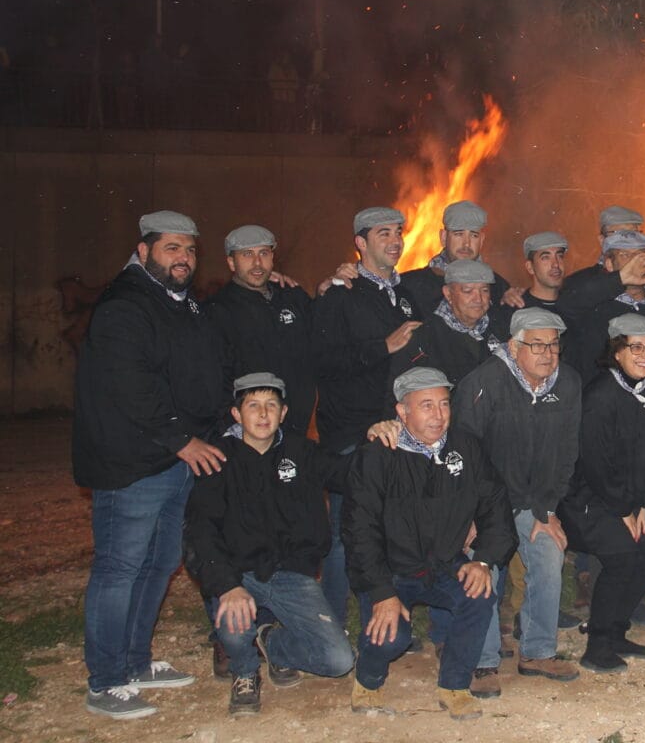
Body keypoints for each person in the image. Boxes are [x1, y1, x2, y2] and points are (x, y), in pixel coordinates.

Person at [73, 210, 228, 719]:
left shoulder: (180, 304)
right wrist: (183, 440)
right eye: (171, 249)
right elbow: (129, 386)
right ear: (144, 251)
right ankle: (105, 681)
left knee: (160, 564)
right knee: (120, 569)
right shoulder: (126, 305)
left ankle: (136, 662)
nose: (183, 259)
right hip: (133, 466)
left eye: (189, 250)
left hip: (173, 461)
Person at [343, 367, 516, 720]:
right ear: (402, 412)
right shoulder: (377, 455)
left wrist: (482, 560)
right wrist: (380, 592)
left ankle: (454, 685)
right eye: (426, 406)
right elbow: (359, 530)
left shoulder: (465, 447)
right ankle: (368, 680)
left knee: (479, 592)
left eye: (444, 404)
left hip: (442, 563)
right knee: (393, 636)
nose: (438, 415)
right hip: (389, 571)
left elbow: (496, 505)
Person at [185, 373, 354, 716]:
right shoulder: (218, 459)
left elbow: (353, 473)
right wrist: (227, 585)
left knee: (339, 660)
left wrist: (383, 438)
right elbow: (199, 532)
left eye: (271, 406)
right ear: (237, 414)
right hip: (239, 575)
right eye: (253, 406)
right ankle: (245, 671)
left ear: (284, 412)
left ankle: (272, 642)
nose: (263, 415)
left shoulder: (302, 452)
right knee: (233, 622)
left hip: (291, 575)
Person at [452, 308, 583, 695]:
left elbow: (567, 452)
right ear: (514, 345)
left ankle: (538, 651)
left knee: (549, 554)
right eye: (537, 345)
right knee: (483, 569)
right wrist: (470, 516)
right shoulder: (483, 383)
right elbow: (463, 454)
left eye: (554, 345)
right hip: (487, 503)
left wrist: (548, 510)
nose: (548, 354)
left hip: (534, 500)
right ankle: (483, 659)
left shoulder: (568, 383)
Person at [312, 206, 422, 624]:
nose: (394, 241)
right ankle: (332, 625)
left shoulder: (404, 294)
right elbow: (322, 361)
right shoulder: (340, 294)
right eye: (382, 234)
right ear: (360, 243)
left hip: (397, 430)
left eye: (398, 232)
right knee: (347, 533)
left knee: (386, 528)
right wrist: (383, 346)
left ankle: (381, 614)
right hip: (351, 432)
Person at [559, 314, 645, 673]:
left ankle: (619, 630)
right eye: (635, 347)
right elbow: (595, 462)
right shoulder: (601, 396)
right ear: (617, 352)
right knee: (623, 556)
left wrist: (641, 503)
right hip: (590, 500)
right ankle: (598, 645)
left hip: (633, 497)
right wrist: (625, 507)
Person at [206, 225, 316, 436]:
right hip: (249, 435)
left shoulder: (292, 298)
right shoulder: (217, 312)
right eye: (247, 254)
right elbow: (213, 380)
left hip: (296, 430)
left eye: (263, 253)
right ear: (231, 262)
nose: (257, 263)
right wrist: (231, 428)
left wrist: (325, 288)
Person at [560, 230, 645, 384]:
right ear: (609, 264)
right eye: (625, 255)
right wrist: (620, 279)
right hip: (604, 403)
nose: (634, 262)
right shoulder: (594, 306)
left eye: (640, 254)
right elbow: (565, 305)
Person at [392, 258, 499, 385]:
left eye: (484, 290)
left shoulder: (501, 328)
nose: (478, 299)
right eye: (468, 291)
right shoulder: (423, 338)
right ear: (448, 293)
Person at [400, 199, 510, 316]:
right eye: (458, 234)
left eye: (474, 235)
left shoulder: (498, 287)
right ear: (443, 237)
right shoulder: (410, 286)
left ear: (482, 240)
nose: (466, 244)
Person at [561, 205, 645, 303]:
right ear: (602, 240)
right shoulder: (580, 284)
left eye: (634, 233)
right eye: (619, 233)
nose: (628, 239)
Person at [488, 231, 570, 340]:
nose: (555, 264)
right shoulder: (514, 310)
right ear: (530, 267)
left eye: (560, 256)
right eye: (545, 257)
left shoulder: (576, 305)